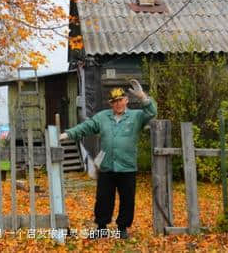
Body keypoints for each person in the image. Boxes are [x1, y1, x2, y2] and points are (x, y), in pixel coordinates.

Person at [59, 79, 157, 240]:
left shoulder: (136, 116)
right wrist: (68, 134)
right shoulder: (102, 117)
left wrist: (143, 97)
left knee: (127, 199)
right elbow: (86, 127)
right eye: (114, 101)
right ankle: (102, 227)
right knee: (103, 198)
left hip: (127, 167)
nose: (117, 104)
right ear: (111, 103)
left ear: (126, 100)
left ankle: (122, 228)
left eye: (120, 100)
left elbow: (152, 112)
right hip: (106, 166)